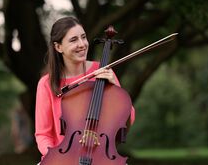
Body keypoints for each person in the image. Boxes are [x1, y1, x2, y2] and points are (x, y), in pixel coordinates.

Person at [35, 16, 135, 162]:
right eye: (73, 40)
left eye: (83, 37)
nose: (82, 44)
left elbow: (127, 119)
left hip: (101, 157)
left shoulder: (103, 72)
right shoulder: (46, 84)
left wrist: (115, 87)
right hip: (62, 159)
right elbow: (43, 134)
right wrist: (56, 157)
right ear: (58, 47)